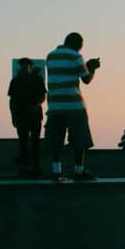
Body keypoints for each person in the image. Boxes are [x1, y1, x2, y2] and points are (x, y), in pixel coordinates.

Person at [45, 32, 100, 181]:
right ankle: (79, 170)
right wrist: (92, 67)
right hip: (73, 104)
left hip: (54, 105)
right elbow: (86, 79)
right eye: (81, 44)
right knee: (79, 138)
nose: (81, 48)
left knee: (56, 139)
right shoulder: (76, 56)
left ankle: (56, 171)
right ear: (77, 42)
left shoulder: (50, 56)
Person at [7, 57, 47, 176]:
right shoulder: (15, 81)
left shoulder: (37, 79)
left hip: (35, 115)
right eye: (23, 66)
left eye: (26, 66)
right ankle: (24, 167)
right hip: (21, 115)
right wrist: (13, 115)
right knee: (23, 141)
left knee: (35, 142)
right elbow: (12, 100)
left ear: (30, 66)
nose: (25, 68)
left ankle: (36, 167)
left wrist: (37, 105)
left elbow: (43, 96)